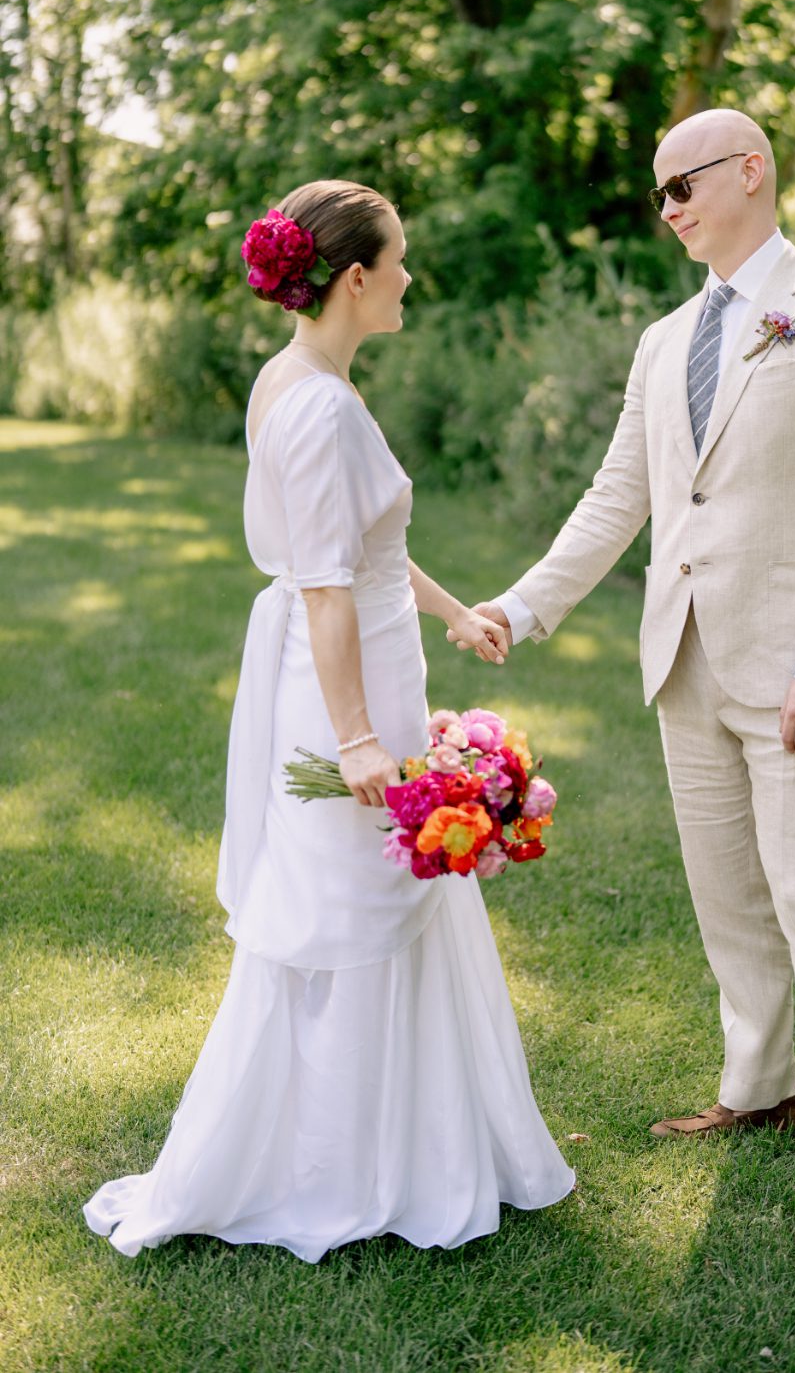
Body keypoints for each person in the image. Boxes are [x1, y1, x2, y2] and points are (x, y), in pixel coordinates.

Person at [83, 180, 574, 1260]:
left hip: (380, 664)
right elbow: (323, 587)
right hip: (339, 688)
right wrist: (356, 737)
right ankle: (332, 1170)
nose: (408, 278)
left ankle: (410, 1147)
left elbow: (369, 548)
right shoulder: (312, 402)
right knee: (346, 909)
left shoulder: (309, 382)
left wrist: (455, 615)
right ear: (354, 277)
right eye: (397, 260)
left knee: (388, 896)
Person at [461, 110, 795, 1253]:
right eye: (657, 194)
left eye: (680, 186)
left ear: (748, 171)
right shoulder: (666, 340)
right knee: (726, 898)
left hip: (792, 671)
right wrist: (524, 604)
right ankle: (758, 1088)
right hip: (685, 662)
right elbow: (623, 493)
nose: (666, 210)